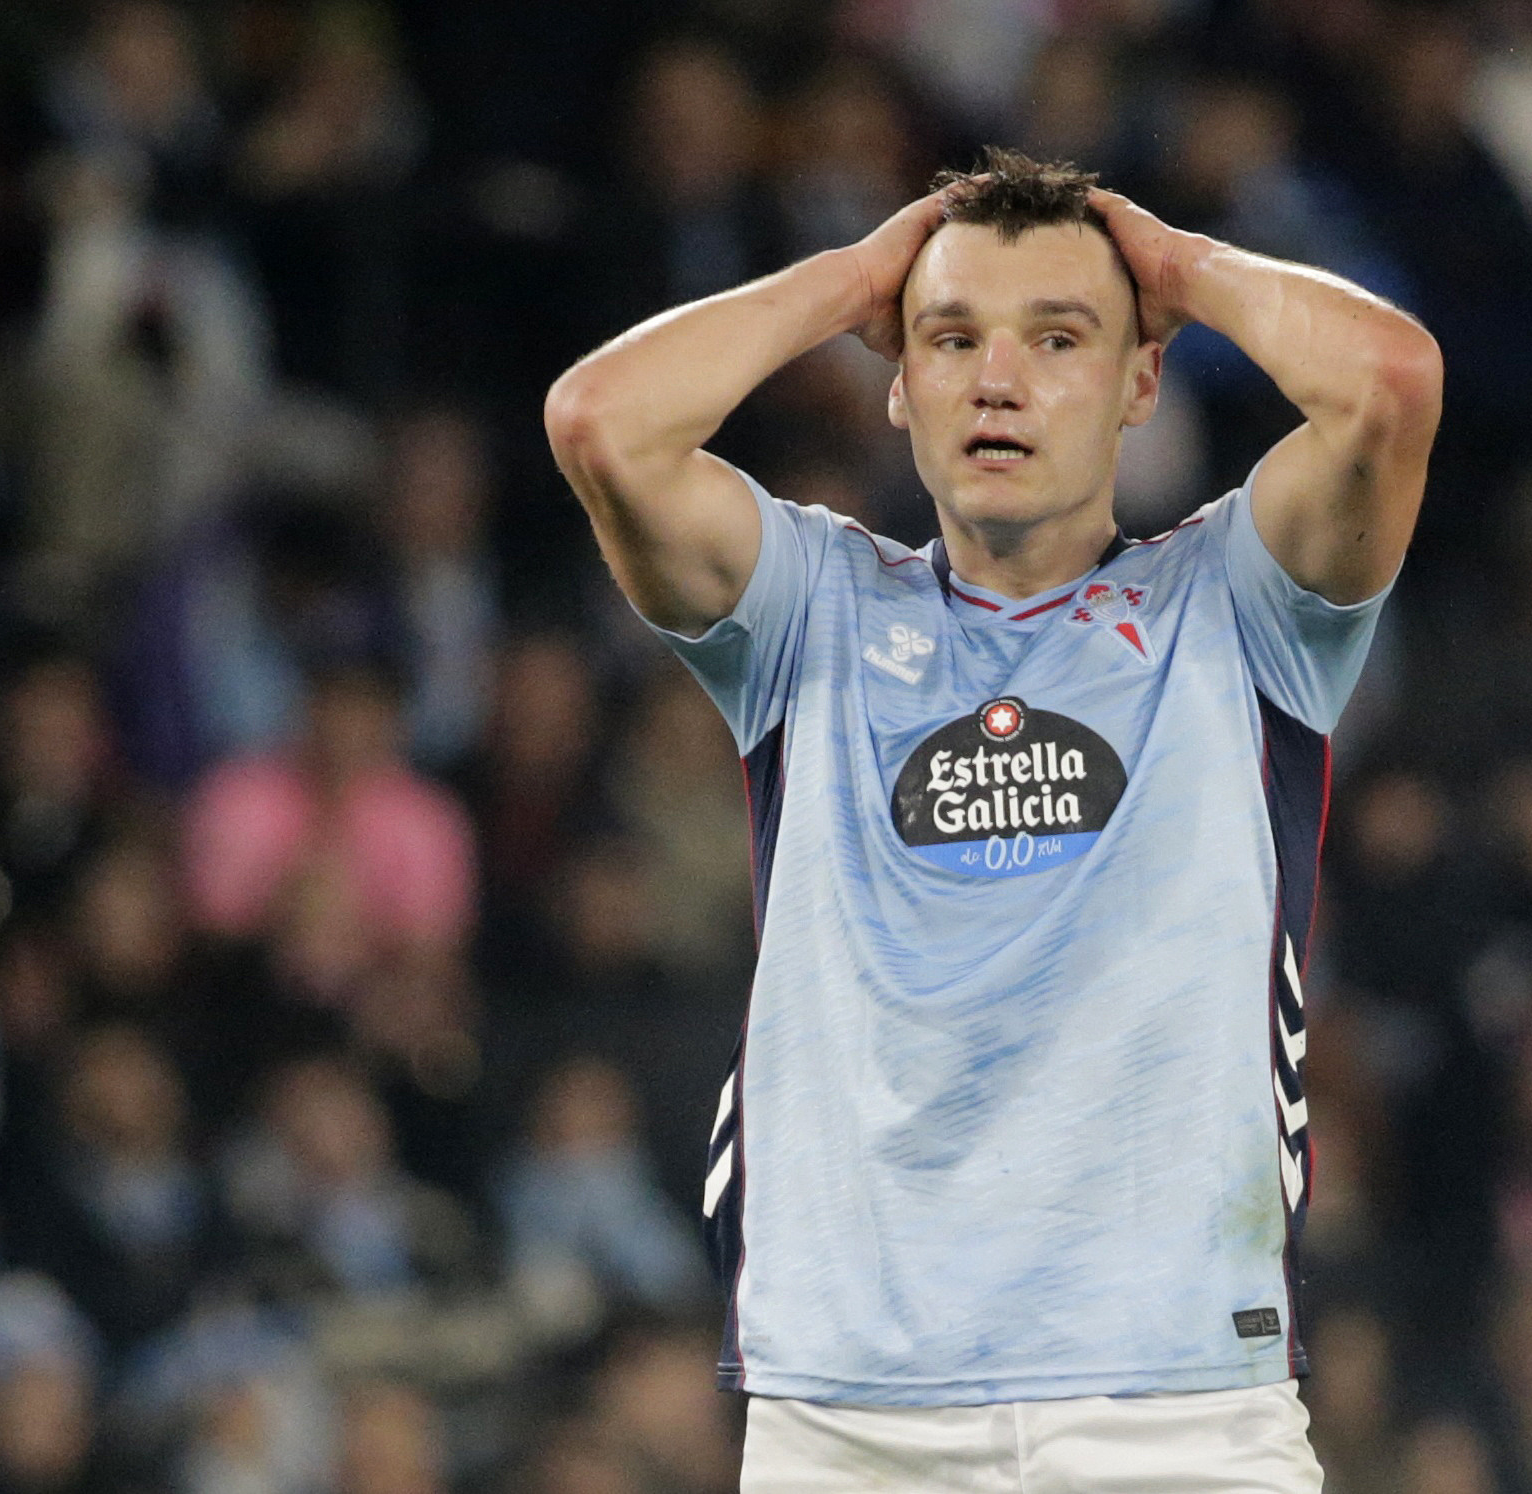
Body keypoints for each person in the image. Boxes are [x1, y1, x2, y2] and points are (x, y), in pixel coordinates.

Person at [543, 148, 1441, 1489]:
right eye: (950, 338)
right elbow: (600, 420)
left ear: (1143, 380)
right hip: (853, 1419)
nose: (998, 378)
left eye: (1060, 337)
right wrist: (854, 277)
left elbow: (1388, 384)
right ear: (897, 384)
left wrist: (1179, 268)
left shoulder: (1235, 604)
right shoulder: (812, 614)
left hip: (1176, 1406)